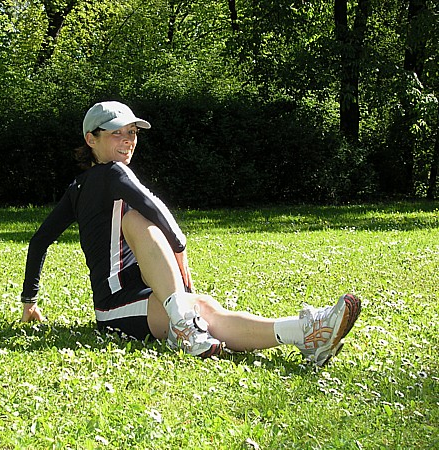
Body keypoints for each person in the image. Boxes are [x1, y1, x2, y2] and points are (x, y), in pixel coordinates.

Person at [20, 101, 361, 366]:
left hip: (138, 300)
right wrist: (179, 248)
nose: (128, 141)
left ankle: (306, 333)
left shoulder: (77, 188)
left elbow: (39, 242)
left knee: (205, 308)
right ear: (90, 139)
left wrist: (29, 302)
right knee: (138, 219)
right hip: (116, 309)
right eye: (116, 133)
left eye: (132, 133)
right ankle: (189, 324)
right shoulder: (112, 173)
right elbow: (153, 207)